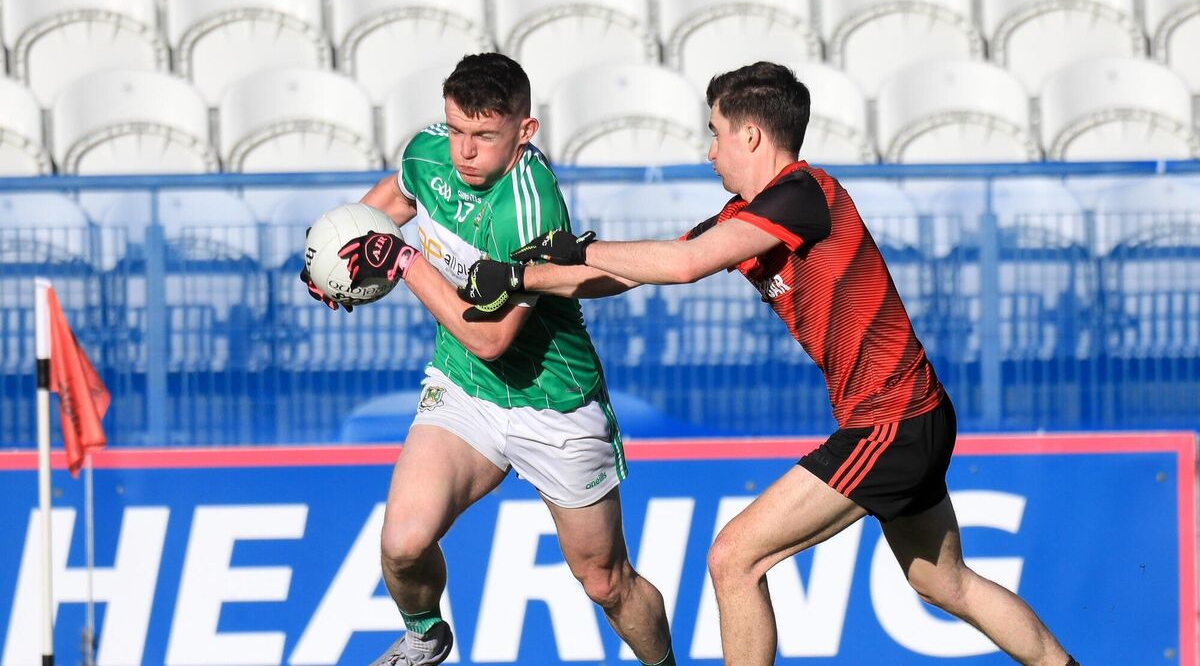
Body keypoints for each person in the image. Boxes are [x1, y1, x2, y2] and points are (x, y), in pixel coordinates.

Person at [458, 61, 1078, 666]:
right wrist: (526, 278)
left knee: (734, 557)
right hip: (910, 416)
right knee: (945, 583)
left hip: (891, 423)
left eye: (716, 133)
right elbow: (635, 273)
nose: (710, 152)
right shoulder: (747, 215)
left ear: (750, 135)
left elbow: (683, 265)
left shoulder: (803, 195)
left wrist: (574, 250)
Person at [301, 52, 676, 666]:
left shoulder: (531, 206)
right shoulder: (429, 154)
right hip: (465, 390)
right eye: (456, 129)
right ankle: (424, 636)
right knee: (402, 544)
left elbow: (491, 337)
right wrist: (335, 261)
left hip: (553, 403)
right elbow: (385, 204)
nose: (464, 151)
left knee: (606, 582)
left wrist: (403, 262)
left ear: (525, 131)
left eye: (483, 135)